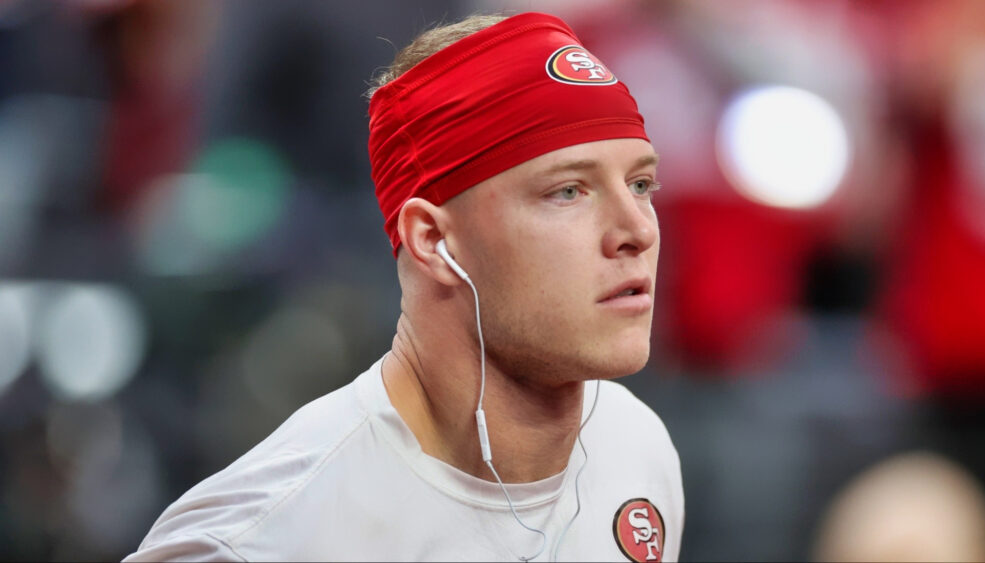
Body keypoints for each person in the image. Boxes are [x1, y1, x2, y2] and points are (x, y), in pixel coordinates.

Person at [125, 11, 683, 562]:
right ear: (434, 240)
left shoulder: (634, 445)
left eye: (640, 183)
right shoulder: (253, 540)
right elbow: (228, 164)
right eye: (568, 191)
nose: (638, 230)